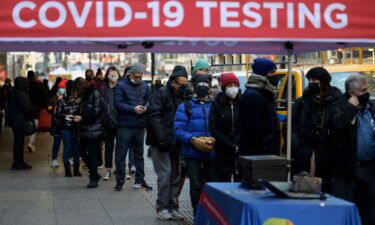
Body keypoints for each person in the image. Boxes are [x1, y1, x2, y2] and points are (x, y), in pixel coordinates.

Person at [329, 74, 375, 225]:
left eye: (367, 89)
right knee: (344, 211)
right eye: (363, 90)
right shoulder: (338, 106)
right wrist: (351, 107)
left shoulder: (371, 108)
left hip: (369, 168)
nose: (366, 93)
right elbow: (337, 125)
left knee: (369, 211)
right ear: (351, 92)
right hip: (346, 170)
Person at [147, 65, 189, 220]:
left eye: (186, 85)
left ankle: (173, 207)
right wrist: (161, 139)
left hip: (176, 142)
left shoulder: (183, 97)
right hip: (161, 142)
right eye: (181, 85)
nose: (183, 87)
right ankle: (162, 207)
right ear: (172, 82)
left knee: (175, 176)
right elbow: (154, 117)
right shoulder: (160, 94)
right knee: (165, 175)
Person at [292, 67, 343, 193]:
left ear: (323, 82)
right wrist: (296, 145)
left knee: (325, 191)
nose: (311, 82)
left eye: (314, 80)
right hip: (304, 153)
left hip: (327, 154)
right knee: (302, 189)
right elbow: (291, 125)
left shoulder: (337, 101)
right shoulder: (302, 102)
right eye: (309, 80)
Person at [174, 75, 215, 214]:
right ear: (195, 86)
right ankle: (197, 212)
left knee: (212, 183)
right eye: (200, 83)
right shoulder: (185, 105)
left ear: (210, 87)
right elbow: (178, 130)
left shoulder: (215, 105)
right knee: (195, 184)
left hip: (211, 151)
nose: (202, 86)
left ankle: (210, 212)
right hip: (192, 152)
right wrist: (193, 140)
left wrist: (213, 139)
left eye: (205, 84)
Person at [113, 63, 152, 191]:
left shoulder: (145, 85)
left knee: (139, 154)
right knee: (121, 154)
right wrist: (133, 109)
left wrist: (146, 106)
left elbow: (149, 99)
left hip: (140, 125)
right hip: (125, 125)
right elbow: (117, 103)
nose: (139, 79)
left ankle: (139, 180)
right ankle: (120, 180)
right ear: (130, 74)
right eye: (136, 76)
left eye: (141, 76)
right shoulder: (121, 85)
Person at [239, 58, 280, 156]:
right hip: (259, 155)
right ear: (263, 74)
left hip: (266, 152)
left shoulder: (264, 93)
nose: (275, 75)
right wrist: (265, 150)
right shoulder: (253, 96)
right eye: (272, 72)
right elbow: (253, 129)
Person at [209, 72, 241, 182]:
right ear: (224, 88)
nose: (233, 88)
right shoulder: (217, 104)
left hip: (240, 150)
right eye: (230, 85)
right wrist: (230, 145)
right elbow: (214, 128)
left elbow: (247, 125)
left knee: (240, 182)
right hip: (223, 150)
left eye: (235, 85)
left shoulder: (243, 102)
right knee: (224, 181)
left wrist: (238, 143)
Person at [73, 77, 103, 188]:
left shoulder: (95, 93)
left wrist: (82, 118)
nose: (77, 91)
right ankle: (94, 173)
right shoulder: (83, 95)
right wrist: (74, 116)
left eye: (77, 88)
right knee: (80, 150)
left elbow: (96, 112)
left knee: (92, 154)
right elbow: (82, 110)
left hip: (93, 129)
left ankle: (93, 178)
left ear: (81, 86)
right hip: (84, 128)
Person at [56, 80, 81, 177]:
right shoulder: (61, 101)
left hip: (75, 127)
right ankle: (68, 171)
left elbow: (82, 112)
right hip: (66, 127)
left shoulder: (79, 101)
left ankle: (75, 170)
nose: (73, 93)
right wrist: (66, 116)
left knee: (75, 148)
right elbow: (57, 114)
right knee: (68, 147)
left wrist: (77, 117)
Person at [6, 77, 33, 170]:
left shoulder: (13, 92)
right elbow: (26, 108)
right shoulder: (22, 94)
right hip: (20, 121)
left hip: (14, 121)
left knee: (18, 143)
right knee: (19, 143)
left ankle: (18, 162)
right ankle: (18, 163)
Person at [101, 66, 120, 181]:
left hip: (120, 122)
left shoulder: (122, 87)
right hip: (107, 122)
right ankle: (108, 170)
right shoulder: (103, 89)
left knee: (121, 147)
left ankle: (120, 169)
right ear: (107, 75)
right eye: (111, 73)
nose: (113, 75)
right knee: (108, 147)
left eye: (115, 73)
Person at [27, 71, 48, 153]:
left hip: (26, 109)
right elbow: (45, 94)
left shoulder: (25, 84)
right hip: (35, 108)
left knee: (27, 125)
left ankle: (30, 141)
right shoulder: (37, 84)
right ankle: (31, 142)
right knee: (34, 126)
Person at [48, 79, 66, 168]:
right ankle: (54, 159)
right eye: (61, 87)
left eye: (64, 88)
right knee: (57, 142)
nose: (62, 89)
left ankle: (66, 158)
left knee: (67, 142)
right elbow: (49, 108)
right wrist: (50, 108)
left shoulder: (67, 98)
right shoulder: (55, 98)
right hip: (56, 124)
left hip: (66, 124)